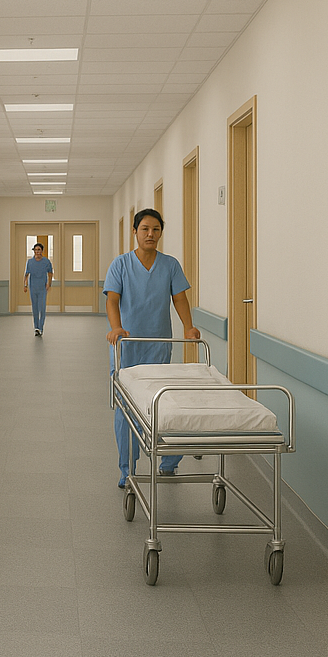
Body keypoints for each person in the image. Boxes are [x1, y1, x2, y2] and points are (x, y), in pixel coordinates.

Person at [104, 209, 202, 488]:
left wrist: (188, 327)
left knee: (162, 403)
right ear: (135, 232)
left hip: (158, 345)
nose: (150, 234)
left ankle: (168, 461)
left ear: (161, 232)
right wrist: (116, 327)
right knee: (126, 408)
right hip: (126, 345)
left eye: (156, 229)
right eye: (145, 229)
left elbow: (179, 298)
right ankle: (127, 469)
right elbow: (112, 300)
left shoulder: (170, 265)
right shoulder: (120, 265)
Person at [24, 242, 53, 336]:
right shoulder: (30, 262)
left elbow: (50, 273)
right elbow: (26, 274)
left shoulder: (46, 262)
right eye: (35, 250)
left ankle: (41, 327)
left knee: (42, 308)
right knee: (35, 308)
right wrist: (25, 285)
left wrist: (49, 284)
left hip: (42, 288)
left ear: (42, 251)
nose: (37, 252)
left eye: (39, 250)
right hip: (33, 287)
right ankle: (36, 327)